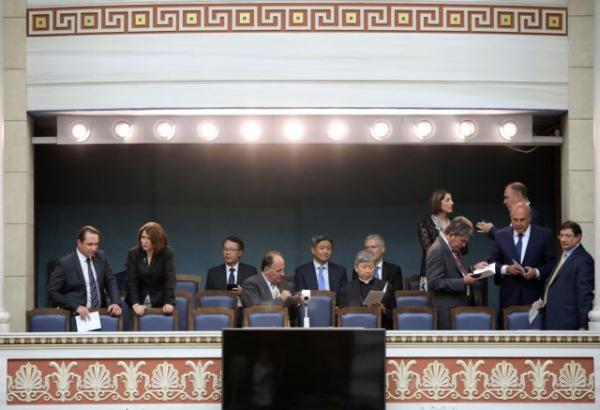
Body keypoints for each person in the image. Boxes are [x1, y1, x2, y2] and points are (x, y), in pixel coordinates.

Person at [488, 202, 556, 311]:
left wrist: (536, 272)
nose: (518, 223)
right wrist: (506, 269)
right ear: (510, 218)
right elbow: (491, 263)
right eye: (515, 220)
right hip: (509, 297)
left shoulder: (544, 235)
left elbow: (553, 263)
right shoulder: (501, 235)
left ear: (529, 218)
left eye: (522, 220)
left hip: (534, 296)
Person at [48, 225, 122, 321]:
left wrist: (116, 302)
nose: (94, 248)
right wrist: (76, 307)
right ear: (79, 242)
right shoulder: (65, 263)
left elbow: (110, 281)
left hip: (100, 314)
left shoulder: (102, 257)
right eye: (90, 244)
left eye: (96, 244)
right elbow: (53, 292)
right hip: (76, 317)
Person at [426, 216, 488, 330]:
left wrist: (473, 268)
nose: (464, 245)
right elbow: (434, 283)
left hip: (457, 308)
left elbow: (454, 272)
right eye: (462, 241)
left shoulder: (451, 248)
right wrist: (463, 281)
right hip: (445, 313)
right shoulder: (437, 250)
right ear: (452, 235)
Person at [535, 221, 594, 330]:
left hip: (568, 321)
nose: (563, 239)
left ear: (578, 237)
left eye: (568, 236)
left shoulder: (584, 260)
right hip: (553, 317)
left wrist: (583, 325)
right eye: (561, 235)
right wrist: (544, 299)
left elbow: (584, 295)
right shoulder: (564, 254)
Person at [418, 189, 466, 291]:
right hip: (432, 274)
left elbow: (464, 250)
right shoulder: (425, 224)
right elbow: (430, 251)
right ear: (438, 203)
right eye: (448, 200)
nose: (452, 203)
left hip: (454, 274)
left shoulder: (455, 223)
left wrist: (461, 239)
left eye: (451, 200)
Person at [126, 221, 176, 317]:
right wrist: (135, 304)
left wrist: (169, 302)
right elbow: (131, 281)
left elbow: (170, 279)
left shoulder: (167, 253)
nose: (145, 241)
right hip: (137, 302)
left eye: (149, 238)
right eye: (143, 237)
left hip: (160, 303)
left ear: (157, 239)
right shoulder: (133, 253)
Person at [339, 249, 395, 328]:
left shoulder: (386, 286)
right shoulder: (346, 289)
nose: (368, 270)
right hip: (354, 329)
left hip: (380, 329)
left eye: (371, 267)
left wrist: (383, 310)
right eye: (364, 267)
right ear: (356, 268)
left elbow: (394, 315)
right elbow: (342, 315)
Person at [476, 181, 542, 239]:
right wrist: (491, 230)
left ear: (518, 196)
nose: (504, 202)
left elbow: (514, 240)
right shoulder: (529, 213)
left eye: (507, 197)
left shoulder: (532, 215)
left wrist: (492, 230)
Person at [294, 234, 347, 299]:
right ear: (313, 250)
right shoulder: (302, 271)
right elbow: (301, 296)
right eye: (322, 248)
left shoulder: (340, 271)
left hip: (334, 305)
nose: (325, 251)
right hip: (310, 305)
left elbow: (344, 297)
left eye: (329, 249)